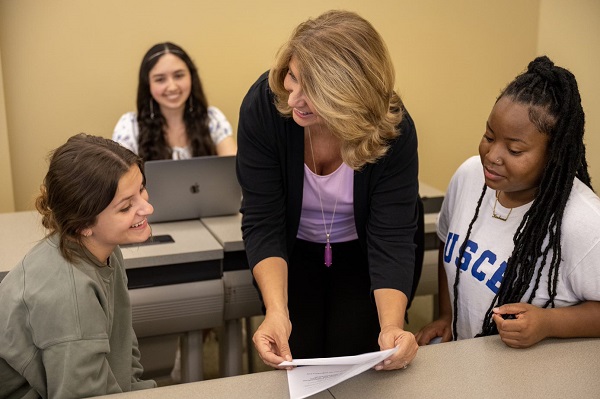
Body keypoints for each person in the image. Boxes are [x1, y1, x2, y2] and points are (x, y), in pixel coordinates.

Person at [236, 10, 420, 371]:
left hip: (364, 258)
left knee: (359, 357)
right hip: (290, 252)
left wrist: (393, 327)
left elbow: (393, 238)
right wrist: (276, 311)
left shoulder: (391, 129)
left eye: (314, 91)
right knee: (296, 354)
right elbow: (263, 220)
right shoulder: (264, 106)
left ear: (347, 95)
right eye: (293, 76)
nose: (293, 100)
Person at [416, 56, 600, 348]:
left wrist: (548, 323)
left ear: (555, 156)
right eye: (489, 136)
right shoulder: (469, 175)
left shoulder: (585, 223)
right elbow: (445, 240)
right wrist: (446, 315)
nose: (492, 156)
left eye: (514, 150)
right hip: (467, 363)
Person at [0, 134, 156, 398]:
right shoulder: (69, 294)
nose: (148, 208)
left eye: (141, 189)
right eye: (126, 207)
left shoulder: (104, 249)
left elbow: (122, 348)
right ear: (84, 225)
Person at [113, 41, 236, 159]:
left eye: (179, 76)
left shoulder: (212, 119)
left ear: (192, 78)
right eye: (160, 79)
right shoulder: (129, 126)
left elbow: (232, 169)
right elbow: (119, 178)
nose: (172, 87)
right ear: (148, 85)